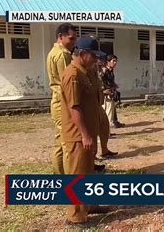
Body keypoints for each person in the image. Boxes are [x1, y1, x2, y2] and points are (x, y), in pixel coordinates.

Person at [61, 36, 106, 225]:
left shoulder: (85, 72)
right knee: (78, 175)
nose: (96, 59)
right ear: (83, 54)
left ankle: (90, 205)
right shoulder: (73, 75)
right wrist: (85, 134)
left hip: (88, 134)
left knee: (88, 172)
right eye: (93, 56)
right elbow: (74, 108)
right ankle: (76, 217)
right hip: (79, 136)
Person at [46, 23, 76, 174]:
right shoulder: (62, 54)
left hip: (57, 101)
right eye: (71, 39)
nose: (73, 42)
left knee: (60, 142)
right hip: (63, 102)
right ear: (60, 37)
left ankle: (58, 175)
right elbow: (68, 83)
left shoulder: (53, 52)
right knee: (66, 144)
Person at [93, 58, 118, 158]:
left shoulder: (99, 74)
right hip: (95, 103)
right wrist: (104, 92)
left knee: (105, 123)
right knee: (96, 128)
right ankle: (92, 156)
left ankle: (104, 150)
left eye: (100, 66)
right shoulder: (96, 74)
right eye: (98, 66)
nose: (100, 68)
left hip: (100, 100)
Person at [101, 54, 124, 128]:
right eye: (113, 61)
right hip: (106, 94)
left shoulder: (111, 71)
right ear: (108, 62)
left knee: (111, 111)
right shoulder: (104, 71)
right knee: (107, 113)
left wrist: (114, 85)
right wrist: (104, 91)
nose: (115, 63)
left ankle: (111, 125)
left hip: (111, 93)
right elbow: (101, 81)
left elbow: (110, 81)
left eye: (116, 61)